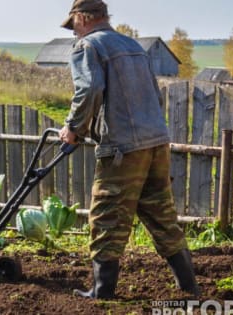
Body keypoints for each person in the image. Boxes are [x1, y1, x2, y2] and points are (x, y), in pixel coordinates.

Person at [59, 0, 200, 299]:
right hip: (156, 142)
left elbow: (90, 89)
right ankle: (189, 287)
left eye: (74, 26)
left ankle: (102, 291)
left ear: (83, 17)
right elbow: (152, 92)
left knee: (106, 215)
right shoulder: (133, 46)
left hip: (123, 148)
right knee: (161, 213)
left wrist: (74, 128)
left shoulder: (89, 47)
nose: (75, 33)